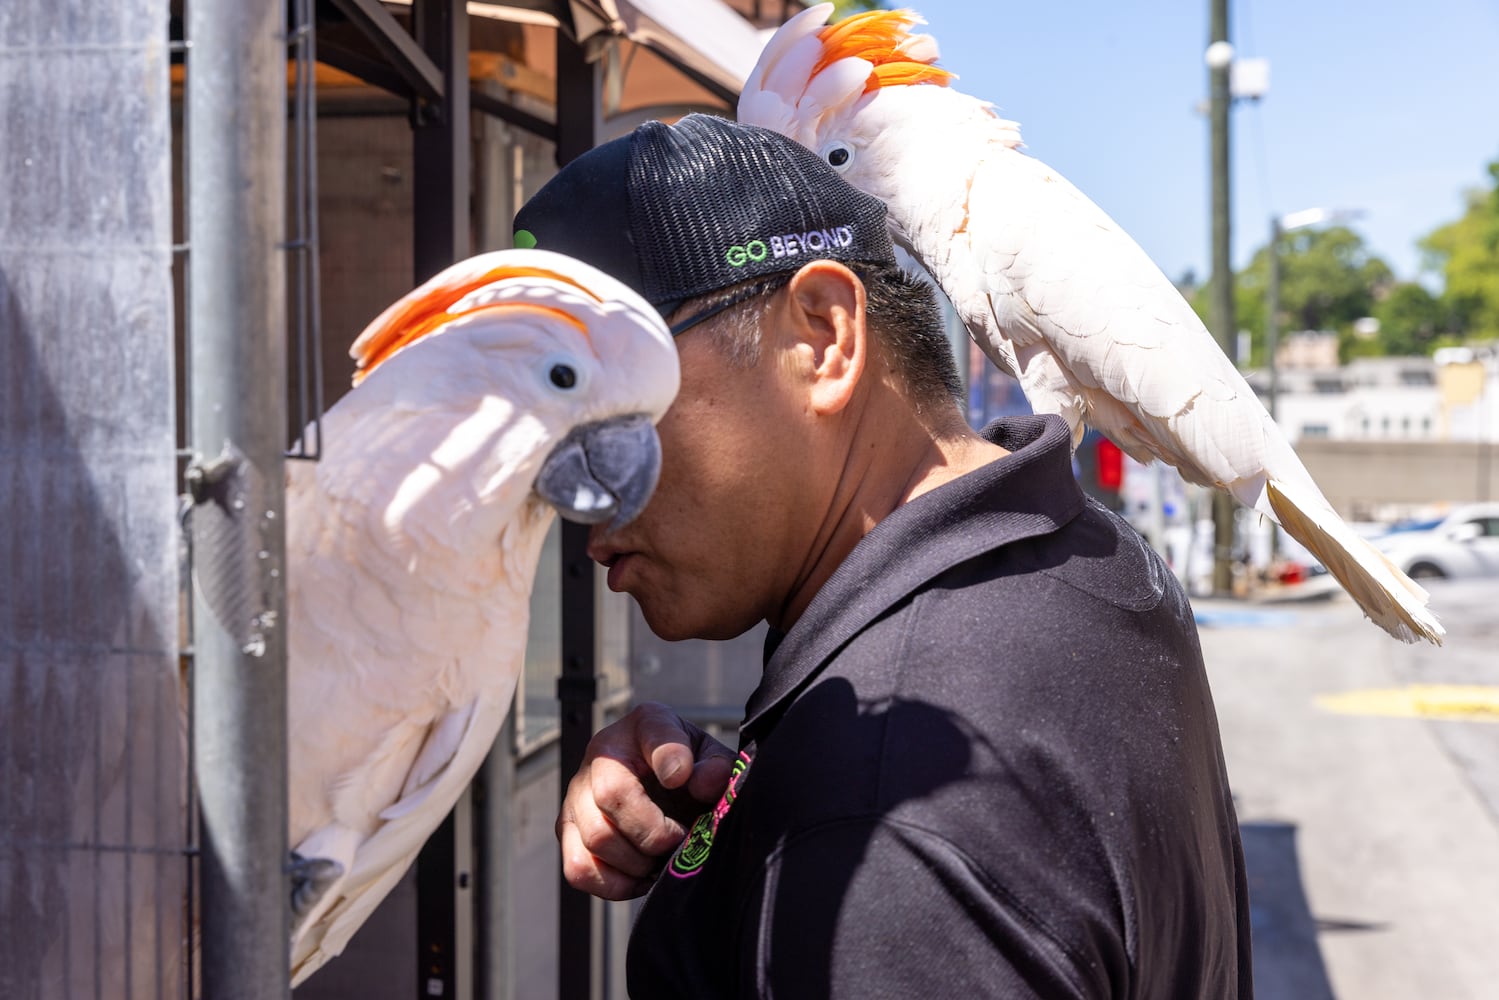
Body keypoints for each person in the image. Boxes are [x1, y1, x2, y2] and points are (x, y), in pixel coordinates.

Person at [514, 114, 1253, 998]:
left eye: (604, 410)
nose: (574, 492)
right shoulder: (1074, 557)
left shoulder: (883, 821)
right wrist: (748, 808)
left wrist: (826, 808)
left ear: (820, 336)